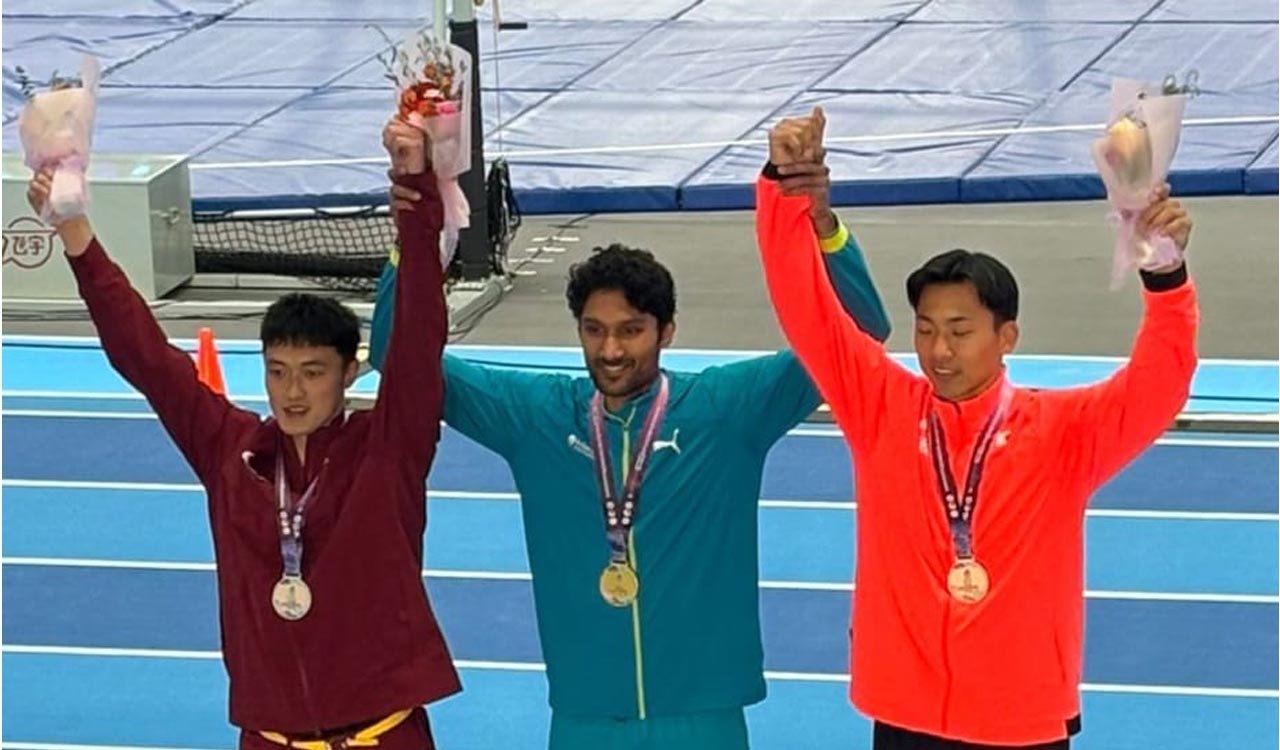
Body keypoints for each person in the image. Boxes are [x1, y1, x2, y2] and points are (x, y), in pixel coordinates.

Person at [367, 153, 891, 749]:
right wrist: (413, 237)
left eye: (631, 330)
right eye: (594, 330)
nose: (611, 350)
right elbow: (396, 355)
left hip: (703, 716)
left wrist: (824, 226)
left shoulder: (726, 411)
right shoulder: (535, 416)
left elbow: (862, 335)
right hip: (587, 716)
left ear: (667, 331)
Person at [756, 107, 1198, 749]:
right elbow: (807, 307)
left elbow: (1160, 384)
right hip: (904, 714)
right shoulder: (880, 407)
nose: (939, 350)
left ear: (1006, 336)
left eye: (960, 331)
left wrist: (1165, 277)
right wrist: (782, 189)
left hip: (1019, 720)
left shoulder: (1062, 432)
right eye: (926, 330)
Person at [26, 119, 461, 749]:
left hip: (384, 735)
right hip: (268, 738)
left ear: (350, 373)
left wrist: (415, 194)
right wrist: (74, 233)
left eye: (313, 372)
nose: (293, 391)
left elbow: (420, 337)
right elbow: (146, 358)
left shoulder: (388, 450)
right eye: (278, 371)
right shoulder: (231, 451)